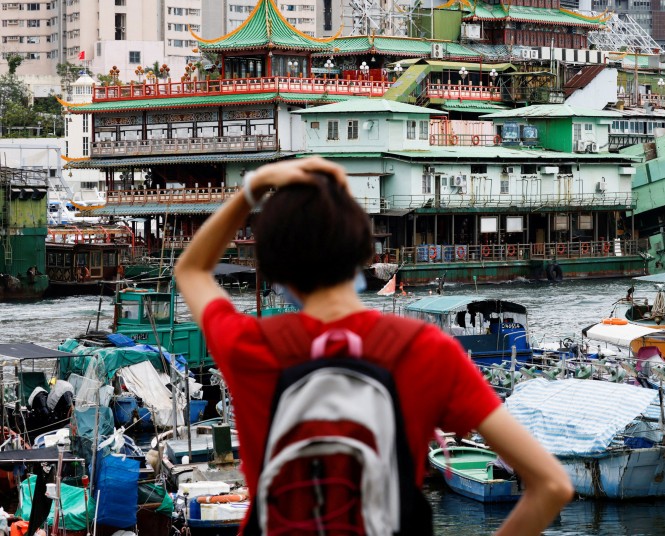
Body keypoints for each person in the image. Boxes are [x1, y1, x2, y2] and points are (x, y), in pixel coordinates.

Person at [175, 157, 572, 535]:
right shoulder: (427, 348)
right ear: (365, 252)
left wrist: (252, 190)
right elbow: (552, 485)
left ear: (275, 271)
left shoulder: (251, 344)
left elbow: (191, 269)